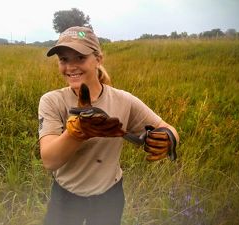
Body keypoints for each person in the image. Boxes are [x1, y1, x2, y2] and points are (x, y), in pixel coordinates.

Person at [38, 26, 179, 225]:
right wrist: (77, 133)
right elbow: (50, 160)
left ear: (98, 59)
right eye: (64, 59)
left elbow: (167, 128)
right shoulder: (52, 101)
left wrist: (168, 137)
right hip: (66, 198)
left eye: (80, 57)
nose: (70, 67)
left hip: (109, 198)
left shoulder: (123, 100)